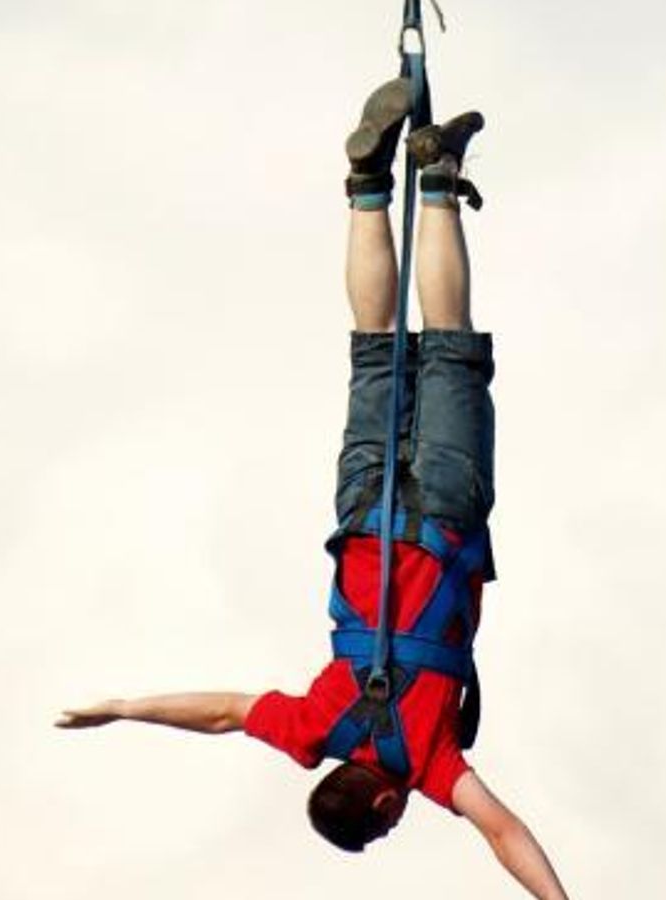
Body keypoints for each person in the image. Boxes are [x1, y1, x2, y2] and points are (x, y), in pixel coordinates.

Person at [56, 77, 569, 900]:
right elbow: (222, 711)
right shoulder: (311, 726)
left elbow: (503, 833)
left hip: (442, 511)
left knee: (450, 346)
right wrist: (123, 704)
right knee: (374, 348)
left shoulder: (429, 764)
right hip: (362, 511)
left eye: (389, 820)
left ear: (384, 801)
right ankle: (371, 188)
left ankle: (433, 179)